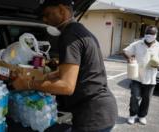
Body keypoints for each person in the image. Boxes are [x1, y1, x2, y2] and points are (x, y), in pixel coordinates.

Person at [12, 0, 118, 131]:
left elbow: (66, 87)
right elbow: (82, 68)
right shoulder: (80, 30)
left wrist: (28, 84)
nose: (45, 20)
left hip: (92, 115)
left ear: (62, 10)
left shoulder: (70, 35)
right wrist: (50, 75)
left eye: (47, 14)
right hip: (102, 109)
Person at [123, 25, 159, 125]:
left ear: (155, 35)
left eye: (151, 34)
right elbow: (125, 51)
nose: (149, 36)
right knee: (135, 97)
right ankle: (132, 115)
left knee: (147, 99)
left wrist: (158, 65)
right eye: (147, 33)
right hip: (137, 77)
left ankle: (142, 116)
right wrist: (129, 59)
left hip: (150, 79)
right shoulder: (137, 44)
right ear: (145, 34)